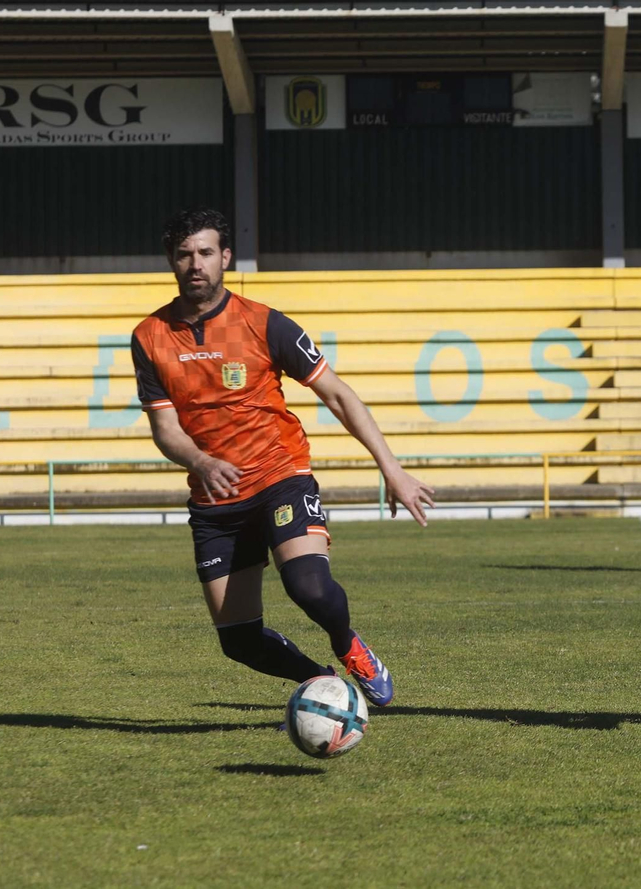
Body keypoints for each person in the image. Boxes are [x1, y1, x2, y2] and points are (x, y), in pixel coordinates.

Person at [131, 208, 436, 706]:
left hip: (279, 476)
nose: (196, 264)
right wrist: (202, 463)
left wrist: (392, 469)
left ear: (226, 257)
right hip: (215, 500)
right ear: (171, 259)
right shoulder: (149, 336)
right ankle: (324, 686)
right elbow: (165, 429)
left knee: (308, 586)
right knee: (239, 640)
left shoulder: (265, 323)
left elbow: (337, 394)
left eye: (206, 252)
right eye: (184, 254)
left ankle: (348, 646)